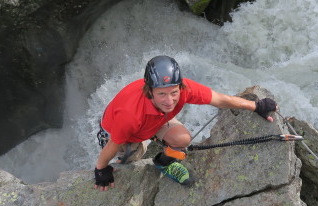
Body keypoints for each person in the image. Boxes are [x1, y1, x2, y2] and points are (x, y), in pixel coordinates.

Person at [94, 55, 278, 190]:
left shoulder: (184, 89)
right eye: (162, 94)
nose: (169, 100)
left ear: (180, 87)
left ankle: (164, 163)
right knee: (128, 161)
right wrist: (101, 169)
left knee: (182, 139)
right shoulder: (130, 115)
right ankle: (131, 152)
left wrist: (255, 105)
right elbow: (113, 143)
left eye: (174, 92)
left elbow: (220, 99)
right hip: (121, 129)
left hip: (156, 119)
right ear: (149, 91)